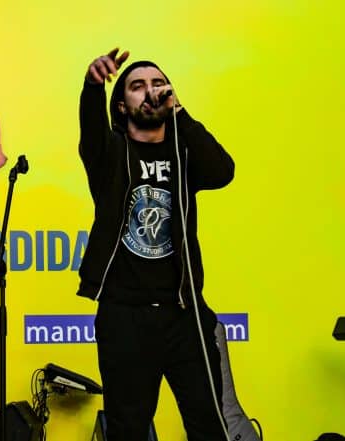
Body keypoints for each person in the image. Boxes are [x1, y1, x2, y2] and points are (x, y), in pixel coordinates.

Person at [77, 48, 235, 440]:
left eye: (159, 83)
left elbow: (223, 171)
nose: (151, 91)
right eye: (138, 86)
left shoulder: (184, 153)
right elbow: (91, 132)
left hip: (184, 314)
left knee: (209, 426)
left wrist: (179, 112)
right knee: (127, 431)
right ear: (122, 105)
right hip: (124, 315)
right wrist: (92, 87)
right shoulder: (111, 153)